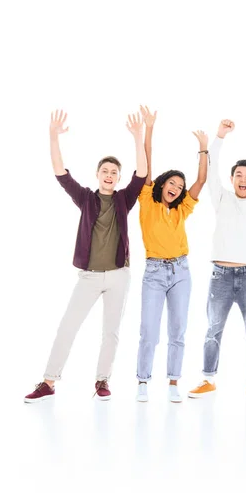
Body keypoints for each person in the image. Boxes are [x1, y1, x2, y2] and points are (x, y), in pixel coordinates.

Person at [24, 110, 147, 402]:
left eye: (114, 172)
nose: (109, 175)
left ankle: (102, 380)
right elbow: (60, 173)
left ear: (118, 178)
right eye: (105, 171)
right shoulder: (86, 198)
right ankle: (49, 382)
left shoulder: (123, 199)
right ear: (97, 175)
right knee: (68, 326)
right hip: (89, 276)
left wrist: (138, 137)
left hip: (118, 275)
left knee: (111, 332)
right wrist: (53, 136)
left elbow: (141, 174)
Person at [188, 120, 246, 405]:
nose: (243, 179)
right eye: (238, 175)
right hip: (221, 276)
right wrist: (219, 137)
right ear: (233, 180)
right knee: (212, 329)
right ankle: (207, 379)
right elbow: (214, 168)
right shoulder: (221, 197)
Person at [136, 106, 208, 403]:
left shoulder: (182, 208)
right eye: (172, 184)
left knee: (178, 329)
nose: (176, 189)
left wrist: (203, 149)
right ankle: (142, 381)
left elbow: (201, 182)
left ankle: (173, 382)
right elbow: (147, 163)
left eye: (180, 187)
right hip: (154, 271)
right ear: (163, 184)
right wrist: (149, 129)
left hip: (181, 271)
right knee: (149, 331)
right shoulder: (146, 200)